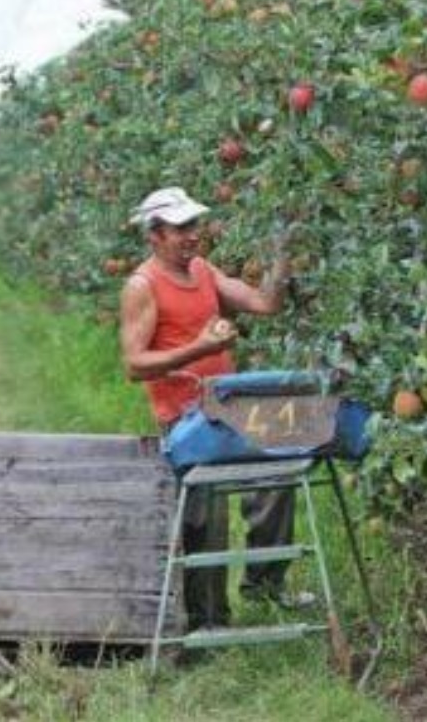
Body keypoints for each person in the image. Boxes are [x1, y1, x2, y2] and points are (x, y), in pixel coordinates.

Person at [118, 186, 305, 631]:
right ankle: (207, 621)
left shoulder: (203, 271)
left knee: (284, 458)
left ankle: (263, 581)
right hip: (185, 421)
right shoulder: (142, 286)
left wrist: (283, 250)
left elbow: (265, 304)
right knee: (207, 520)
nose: (192, 236)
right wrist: (199, 346)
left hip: (226, 408)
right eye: (181, 229)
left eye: (194, 226)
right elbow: (134, 364)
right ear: (155, 235)